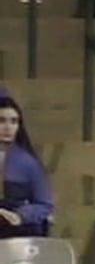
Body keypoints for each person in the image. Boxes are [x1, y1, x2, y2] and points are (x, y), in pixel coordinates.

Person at [0, 88, 53, 238]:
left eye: (14, 121)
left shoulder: (28, 163)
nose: (8, 127)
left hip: (16, 230)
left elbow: (44, 204)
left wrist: (21, 215)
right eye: (1, 120)